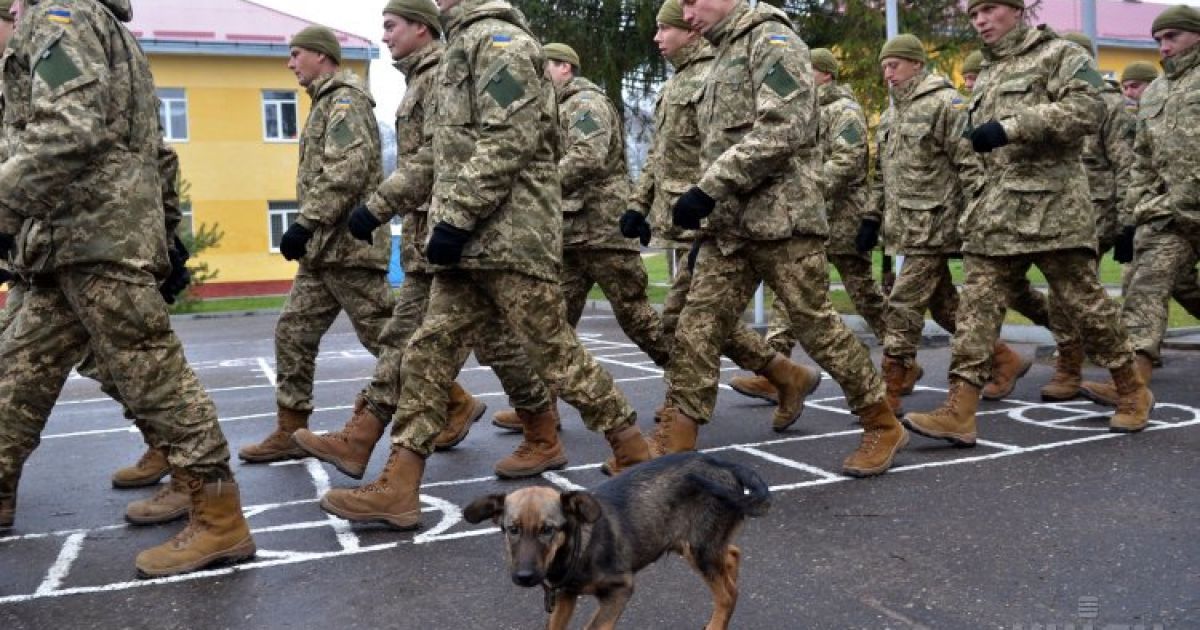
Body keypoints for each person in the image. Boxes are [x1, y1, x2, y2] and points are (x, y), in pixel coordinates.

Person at [315, 0, 653, 530]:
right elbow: (441, 154)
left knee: (554, 353)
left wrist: (455, 218)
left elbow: (508, 139)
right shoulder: (462, 47)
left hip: (511, 237)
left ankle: (635, 452)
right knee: (425, 355)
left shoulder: (502, 42)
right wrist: (378, 207)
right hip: (469, 243)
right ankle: (399, 486)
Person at [0, 0, 253, 577]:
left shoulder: (59, 16)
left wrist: (3, 211)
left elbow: (69, 128)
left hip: (95, 238)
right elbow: (152, 151)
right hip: (63, 245)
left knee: (152, 374)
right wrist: (166, 232)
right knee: (14, 371)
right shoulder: (93, 23)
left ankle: (219, 518)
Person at [659, 0, 907, 478]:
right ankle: (675, 446)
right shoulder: (721, 53)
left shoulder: (772, 40)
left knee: (817, 328)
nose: (685, 14)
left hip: (781, 221)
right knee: (696, 328)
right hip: (729, 226)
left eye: (691, 1)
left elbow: (782, 129)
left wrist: (709, 188)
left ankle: (882, 422)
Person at [903, 0, 1153, 444]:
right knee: (976, 310)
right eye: (973, 14)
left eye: (988, 10)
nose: (980, 20)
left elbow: (1087, 110)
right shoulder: (990, 70)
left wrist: (1012, 126)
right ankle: (960, 409)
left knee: (1085, 306)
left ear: (1016, 11)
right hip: (997, 211)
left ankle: (1132, 391)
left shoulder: (1060, 54)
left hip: (1054, 209)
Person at [292, 1, 504, 483]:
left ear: (421, 28)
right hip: (428, 238)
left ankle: (590, 433)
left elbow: (440, 156)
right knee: (403, 343)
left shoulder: (444, 74)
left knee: (516, 345)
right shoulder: (421, 79)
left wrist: (377, 206)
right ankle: (366, 446)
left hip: (456, 236)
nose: (384, 36)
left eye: (391, 26)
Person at [617, 0, 813, 419]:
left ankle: (687, 406)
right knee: (694, 319)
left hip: (710, 213)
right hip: (684, 215)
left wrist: (707, 199)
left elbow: (726, 147)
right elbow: (660, 155)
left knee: (691, 319)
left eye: (665, 28)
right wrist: (638, 205)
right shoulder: (676, 84)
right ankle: (781, 373)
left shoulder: (717, 70)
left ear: (689, 32)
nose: (657, 38)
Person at [237, 26, 400, 464]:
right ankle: (290, 430)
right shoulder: (324, 103)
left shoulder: (345, 101)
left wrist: (305, 223)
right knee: (293, 332)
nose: (290, 63)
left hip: (348, 248)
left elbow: (347, 170)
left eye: (297, 54)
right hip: (322, 253)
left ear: (322, 56)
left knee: (384, 337)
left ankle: (453, 402)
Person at [730, 47, 889, 399]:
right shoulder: (805, 109)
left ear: (825, 74)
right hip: (808, 219)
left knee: (864, 293)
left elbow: (848, 159)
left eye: (808, 69)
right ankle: (777, 370)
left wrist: (809, 189)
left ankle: (898, 356)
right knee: (788, 287)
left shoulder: (844, 110)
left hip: (842, 218)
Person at [1079, 5, 1200, 406]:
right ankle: (1131, 384)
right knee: (1146, 284)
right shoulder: (1158, 92)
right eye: (1159, 40)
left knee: (1179, 285)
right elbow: (1142, 161)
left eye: (1173, 37)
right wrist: (1133, 216)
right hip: (1171, 213)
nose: (1164, 47)